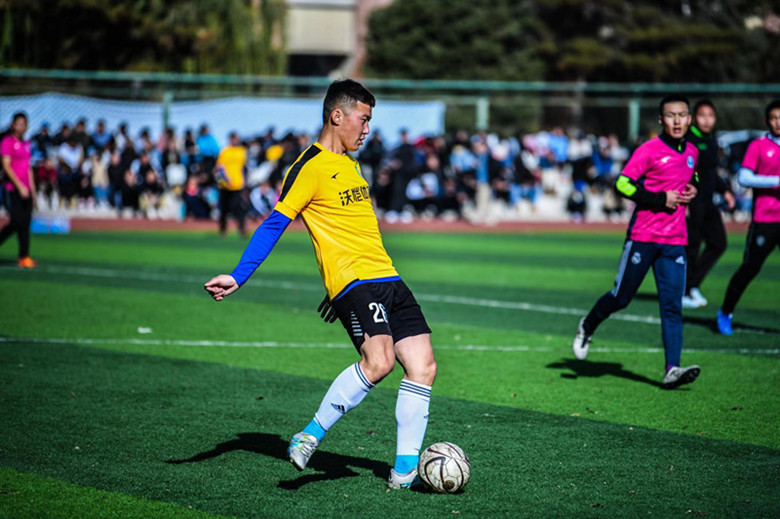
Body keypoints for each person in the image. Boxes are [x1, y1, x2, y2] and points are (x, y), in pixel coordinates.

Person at [204, 79, 436, 489]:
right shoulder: (308, 166)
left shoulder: (351, 165)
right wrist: (239, 275)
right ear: (337, 116)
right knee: (379, 362)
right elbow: (275, 222)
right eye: (363, 119)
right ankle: (309, 435)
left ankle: (403, 473)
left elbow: (353, 229)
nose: (367, 129)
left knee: (424, 367)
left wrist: (337, 292)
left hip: (387, 277)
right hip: (356, 281)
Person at [571, 95, 701, 389]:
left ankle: (672, 368)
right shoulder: (649, 150)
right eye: (671, 115)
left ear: (689, 119)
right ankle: (587, 325)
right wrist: (660, 198)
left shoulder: (693, 151)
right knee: (621, 298)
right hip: (643, 236)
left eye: (682, 115)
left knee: (672, 307)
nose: (677, 120)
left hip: (675, 240)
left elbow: (694, 174)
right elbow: (622, 183)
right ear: (661, 120)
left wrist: (693, 188)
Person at [716, 100, 780, 335]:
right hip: (765, 219)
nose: (778, 122)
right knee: (750, 268)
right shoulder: (758, 146)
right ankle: (725, 312)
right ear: (766, 121)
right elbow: (743, 177)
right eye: (774, 118)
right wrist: (776, 181)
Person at [682, 100, 736, 309]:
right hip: (692, 201)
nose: (707, 120)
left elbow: (711, 171)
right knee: (692, 246)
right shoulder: (689, 139)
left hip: (708, 201)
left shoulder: (711, 140)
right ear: (694, 118)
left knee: (718, 243)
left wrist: (725, 191)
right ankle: (685, 291)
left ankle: (692, 284)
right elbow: (686, 171)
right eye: (702, 115)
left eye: (710, 116)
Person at [0, 112, 37, 268]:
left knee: (25, 223)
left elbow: (28, 169)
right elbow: (6, 166)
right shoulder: (7, 142)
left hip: (26, 190)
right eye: (19, 124)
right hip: (12, 189)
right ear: (13, 125)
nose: (22, 127)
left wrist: (33, 192)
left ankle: (24, 257)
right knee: (16, 221)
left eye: (24, 124)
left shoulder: (27, 144)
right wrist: (19, 186)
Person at [215, 132, 248, 237]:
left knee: (239, 208)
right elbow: (220, 167)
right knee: (224, 208)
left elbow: (244, 167)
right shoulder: (225, 151)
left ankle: (242, 229)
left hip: (238, 184)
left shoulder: (242, 151)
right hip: (225, 185)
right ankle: (223, 229)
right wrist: (226, 178)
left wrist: (245, 181)